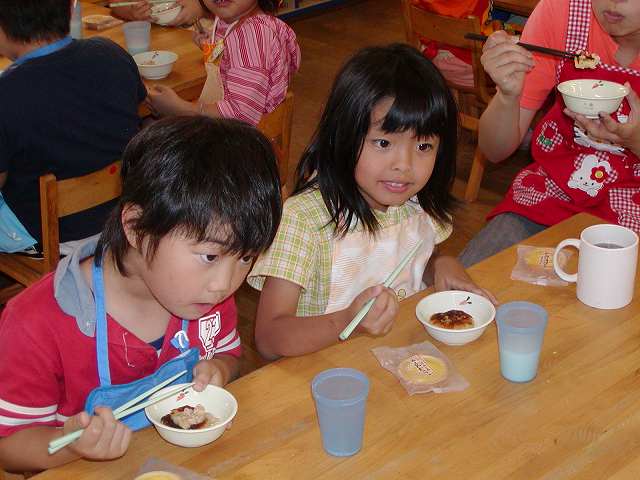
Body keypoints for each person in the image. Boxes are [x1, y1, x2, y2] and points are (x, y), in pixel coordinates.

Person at [0, 117, 282, 473]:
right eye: (210, 256)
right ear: (136, 227)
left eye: (245, 257)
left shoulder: (206, 298)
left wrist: (220, 369)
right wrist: (71, 445)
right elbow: (9, 447)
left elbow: (228, 354)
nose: (224, 284)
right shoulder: (36, 323)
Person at [247, 44, 496, 359]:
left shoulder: (415, 204)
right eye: (383, 143)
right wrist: (347, 321)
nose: (404, 165)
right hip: (323, 374)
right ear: (343, 136)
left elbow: (416, 257)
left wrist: (441, 265)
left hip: (400, 361)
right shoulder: (303, 221)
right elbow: (269, 338)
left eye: (423, 146)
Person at [459, 0, 640, 267]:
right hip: (552, 193)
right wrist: (507, 96)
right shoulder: (563, 12)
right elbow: (494, 151)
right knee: (475, 279)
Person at [0, 0, 145, 255]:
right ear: (70, 9)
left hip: (52, 237)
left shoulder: (8, 92)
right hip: (124, 218)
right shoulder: (111, 54)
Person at [146, 0, 300, 126]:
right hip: (232, 128)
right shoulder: (242, 22)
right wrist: (214, 48)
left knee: (151, 128)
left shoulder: (251, 35)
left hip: (239, 142)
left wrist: (181, 109)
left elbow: (241, 115)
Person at [111, 0, 205, 26]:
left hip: (198, 32)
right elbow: (115, 3)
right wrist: (131, 13)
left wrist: (201, 6)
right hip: (154, 33)